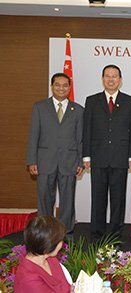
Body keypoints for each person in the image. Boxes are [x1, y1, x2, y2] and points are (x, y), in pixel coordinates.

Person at [83, 64, 131, 241]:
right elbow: (87, 130)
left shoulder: (130, 102)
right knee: (98, 199)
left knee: (118, 200)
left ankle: (114, 235)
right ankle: (97, 234)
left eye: (114, 76)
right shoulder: (92, 101)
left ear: (120, 80)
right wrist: (86, 156)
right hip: (97, 157)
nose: (111, 79)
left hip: (120, 158)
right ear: (102, 79)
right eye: (107, 76)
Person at [26, 73, 84, 238]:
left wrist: (80, 161)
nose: (61, 88)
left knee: (67, 200)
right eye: (57, 85)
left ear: (69, 87)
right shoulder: (40, 107)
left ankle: (66, 232)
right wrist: (31, 160)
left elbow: (80, 139)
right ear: (52, 86)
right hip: (45, 161)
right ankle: (44, 231)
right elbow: (33, 135)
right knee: (44, 198)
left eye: (65, 85)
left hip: (69, 161)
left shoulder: (78, 110)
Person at [14, 216, 71, 293]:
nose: (62, 244)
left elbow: (65, 287)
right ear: (48, 245)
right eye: (60, 240)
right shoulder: (29, 278)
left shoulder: (50, 259)